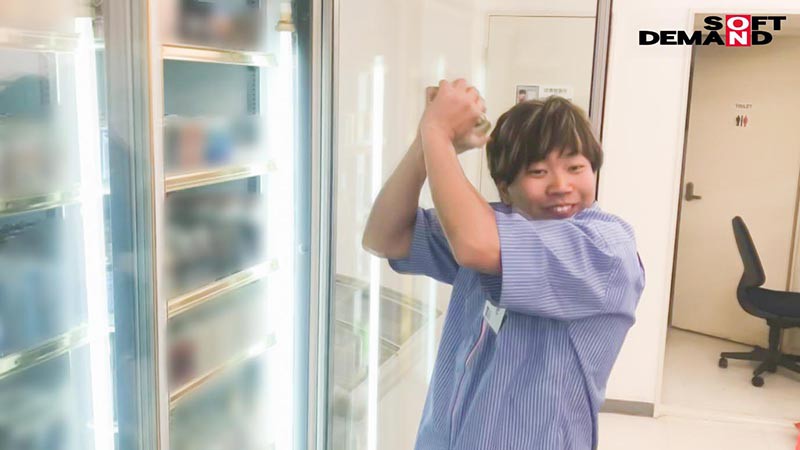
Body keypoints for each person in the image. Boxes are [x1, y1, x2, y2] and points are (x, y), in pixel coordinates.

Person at [362, 79, 645, 450]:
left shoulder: (605, 249)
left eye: (576, 167)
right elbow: (384, 237)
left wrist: (438, 133)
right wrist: (424, 144)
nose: (561, 185)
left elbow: (474, 246)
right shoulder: (493, 226)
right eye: (538, 172)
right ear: (504, 187)